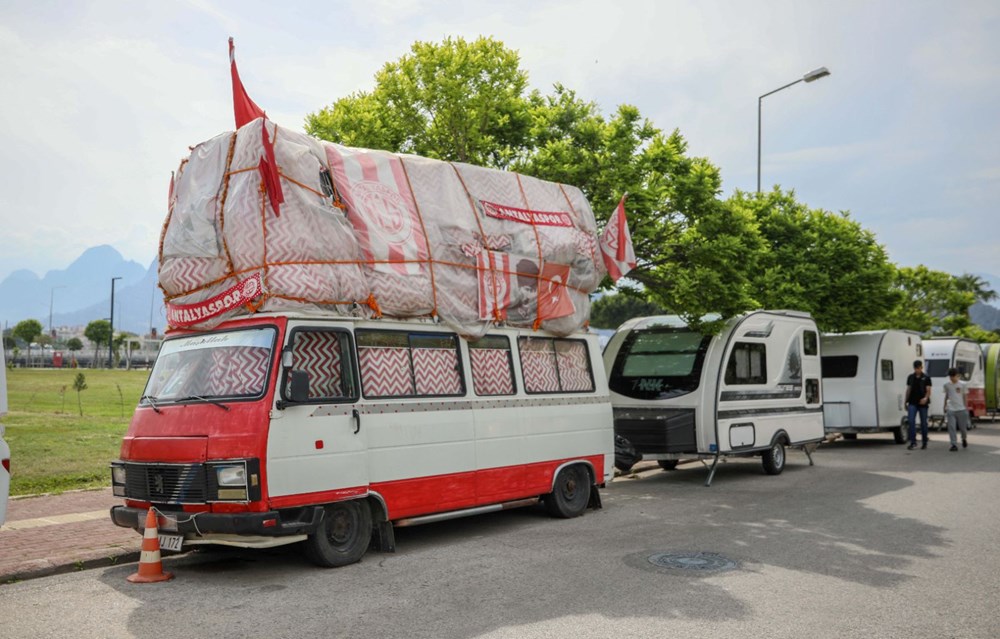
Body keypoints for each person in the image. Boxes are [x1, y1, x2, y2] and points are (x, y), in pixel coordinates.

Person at [905, 359, 932, 450]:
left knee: (923, 423)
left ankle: (924, 441)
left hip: (922, 403)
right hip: (912, 402)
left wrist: (926, 398)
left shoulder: (926, 377)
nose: (917, 370)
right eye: (916, 368)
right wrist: (906, 401)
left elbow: (928, 390)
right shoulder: (910, 377)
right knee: (911, 421)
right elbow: (908, 389)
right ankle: (913, 442)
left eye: (919, 368)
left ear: (921, 367)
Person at [942, 367, 971, 451]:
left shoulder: (963, 384)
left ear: (957, 376)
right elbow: (947, 396)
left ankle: (964, 438)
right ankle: (953, 444)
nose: (951, 378)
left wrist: (966, 408)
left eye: (953, 376)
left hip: (961, 409)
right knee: (951, 427)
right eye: (950, 376)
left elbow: (965, 397)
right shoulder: (947, 385)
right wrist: (944, 406)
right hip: (951, 409)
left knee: (963, 428)